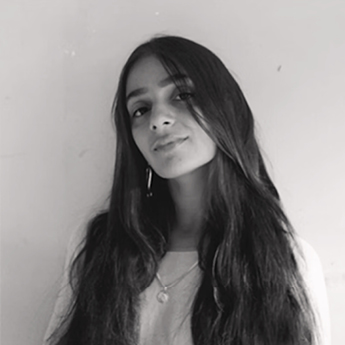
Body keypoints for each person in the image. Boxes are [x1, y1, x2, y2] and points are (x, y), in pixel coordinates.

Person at [43, 35, 330, 345]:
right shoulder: (98, 246)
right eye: (140, 109)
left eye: (181, 94)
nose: (158, 120)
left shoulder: (286, 260)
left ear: (225, 107)